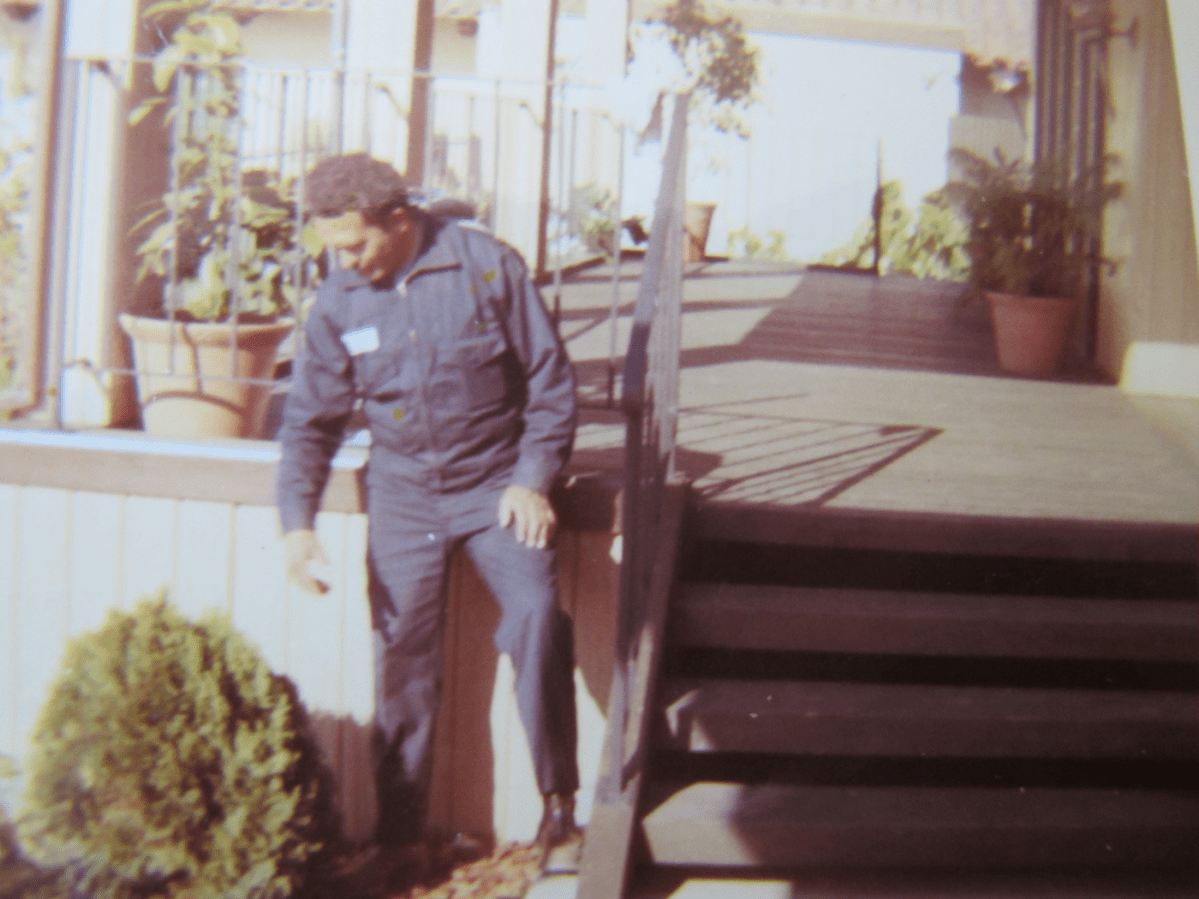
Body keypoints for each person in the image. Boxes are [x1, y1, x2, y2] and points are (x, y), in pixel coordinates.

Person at [276, 152, 581, 865]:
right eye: (332, 249)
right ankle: (398, 839)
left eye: (355, 244)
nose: (344, 263)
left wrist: (532, 478)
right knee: (402, 658)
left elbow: (550, 382)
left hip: (497, 485)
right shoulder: (338, 299)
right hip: (404, 494)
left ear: (400, 220)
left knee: (537, 619)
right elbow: (309, 423)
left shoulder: (484, 266)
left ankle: (559, 814)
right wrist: (295, 525)